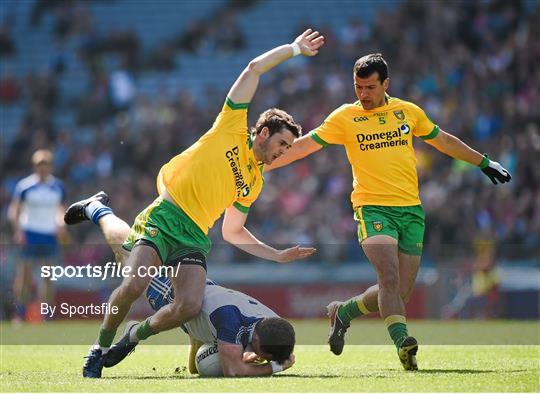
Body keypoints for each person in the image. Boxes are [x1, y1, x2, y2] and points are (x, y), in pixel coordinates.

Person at [64, 29, 323, 378]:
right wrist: (293, 49)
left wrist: (276, 255)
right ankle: (100, 346)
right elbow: (253, 69)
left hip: (194, 237)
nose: (283, 152)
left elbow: (233, 231)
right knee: (133, 286)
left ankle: (131, 338)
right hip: (167, 215)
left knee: (188, 306)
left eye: (288, 148)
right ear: (263, 133)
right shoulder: (231, 126)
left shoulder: (255, 181)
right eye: (282, 143)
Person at [266, 53, 511, 370]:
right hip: (371, 208)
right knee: (390, 277)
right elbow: (302, 146)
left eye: (369, 87)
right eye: (358, 87)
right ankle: (403, 345)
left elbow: (444, 141)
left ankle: (344, 312)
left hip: (411, 211)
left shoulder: (408, 112)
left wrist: (483, 162)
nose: (363, 94)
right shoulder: (345, 117)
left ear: (386, 85)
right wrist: (262, 163)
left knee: (398, 291)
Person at [71, 202, 295, 377]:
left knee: (197, 363)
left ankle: (197, 335)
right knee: (126, 252)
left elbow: (281, 351)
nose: (260, 358)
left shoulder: (273, 324)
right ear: (256, 341)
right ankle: (99, 210)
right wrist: (274, 368)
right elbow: (234, 370)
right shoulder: (231, 320)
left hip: (203, 303)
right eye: (262, 354)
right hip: (169, 291)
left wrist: (274, 358)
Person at [8, 149, 66, 324]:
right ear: (35, 166)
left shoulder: (57, 186)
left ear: (50, 166)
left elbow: (60, 209)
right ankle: (19, 314)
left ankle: (46, 315)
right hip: (30, 233)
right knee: (24, 275)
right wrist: (18, 231)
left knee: (48, 276)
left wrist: (61, 223)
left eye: (45, 164)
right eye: (39, 165)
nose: (43, 168)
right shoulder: (25, 186)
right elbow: (14, 210)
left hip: (49, 234)